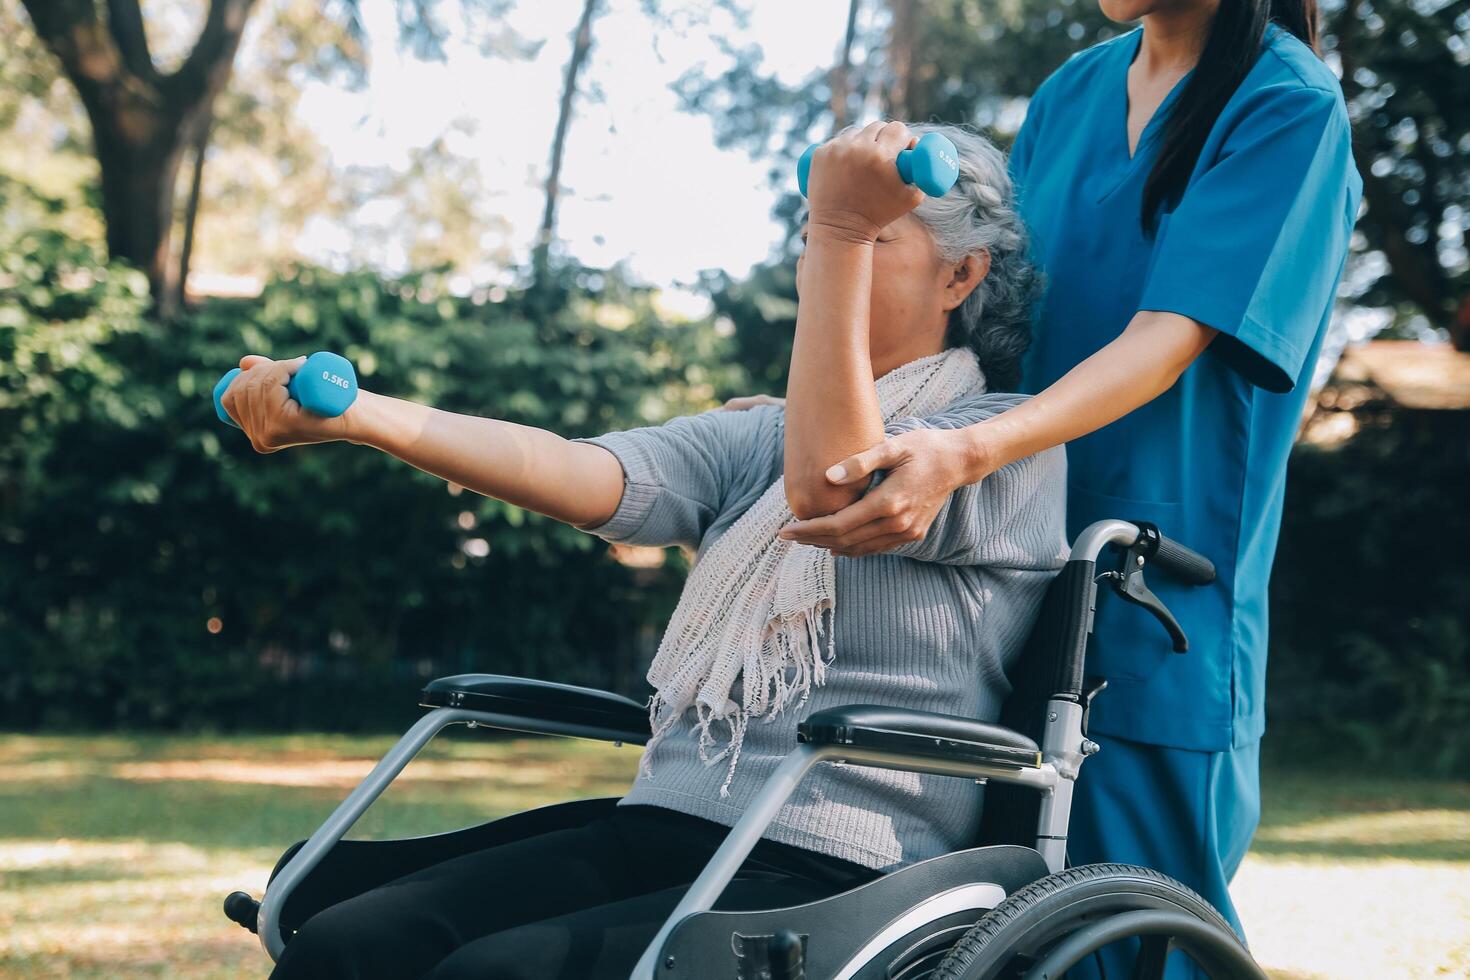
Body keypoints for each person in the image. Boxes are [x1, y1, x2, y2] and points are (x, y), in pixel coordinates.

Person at [221, 121, 1069, 979]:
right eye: (815, 239)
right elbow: (586, 470)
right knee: (347, 942)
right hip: (667, 825)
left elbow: (838, 484)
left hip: (836, 866)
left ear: (961, 275)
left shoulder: (997, 445)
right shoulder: (764, 439)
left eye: (865, 239)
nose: (824, 264)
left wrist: (841, 229)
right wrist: (361, 416)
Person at [771, 2, 1361, 976]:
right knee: (1001, 926)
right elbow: (991, 320)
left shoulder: (1286, 105)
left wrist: (965, 455)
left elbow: (1164, 342)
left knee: (1141, 932)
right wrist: (838, 406)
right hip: (1002, 567)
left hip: (1153, 591)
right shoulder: (1072, 94)